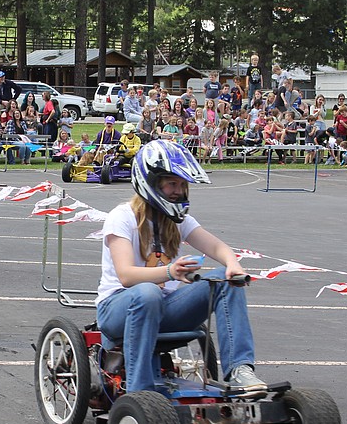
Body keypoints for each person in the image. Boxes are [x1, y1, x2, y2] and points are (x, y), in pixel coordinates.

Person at [95, 140, 265, 395]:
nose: (178, 191)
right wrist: (169, 272)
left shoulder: (178, 220)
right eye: (171, 183)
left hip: (164, 308)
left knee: (224, 280)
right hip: (117, 309)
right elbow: (126, 275)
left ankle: (240, 370)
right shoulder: (122, 216)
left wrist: (233, 264)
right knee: (147, 292)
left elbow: (217, 246)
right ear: (151, 182)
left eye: (182, 185)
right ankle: (140, 391)